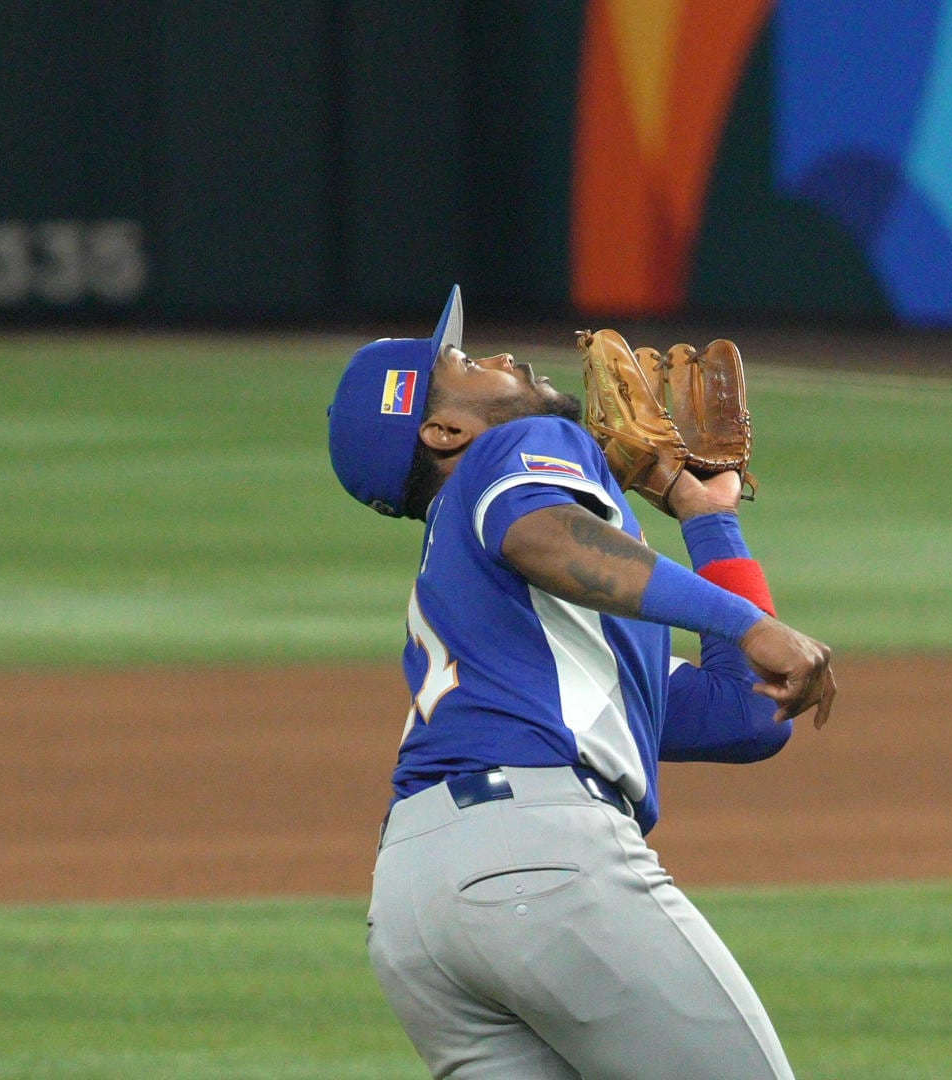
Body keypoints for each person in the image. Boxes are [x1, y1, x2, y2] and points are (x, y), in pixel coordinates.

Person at [327, 285, 837, 1079]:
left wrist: (706, 514)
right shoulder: (518, 449)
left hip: (415, 910)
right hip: (534, 864)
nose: (503, 358)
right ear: (445, 430)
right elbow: (542, 533)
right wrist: (748, 623)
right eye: (463, 363)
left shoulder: (520, 627)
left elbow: (749, 712)